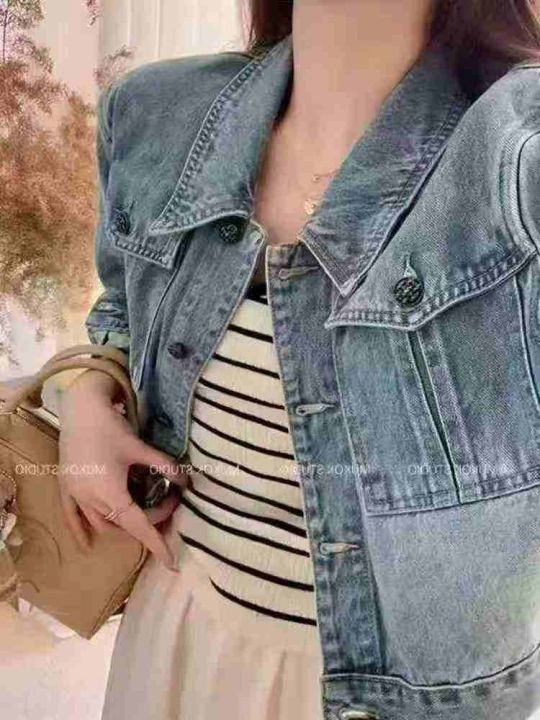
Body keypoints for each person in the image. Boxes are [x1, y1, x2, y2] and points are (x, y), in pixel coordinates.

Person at [58, 1, 540, 719]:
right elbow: (123, 310)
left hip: (388, 699)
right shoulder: (156, 113)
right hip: (174, 643)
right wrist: (88, 387)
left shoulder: (514, 159)